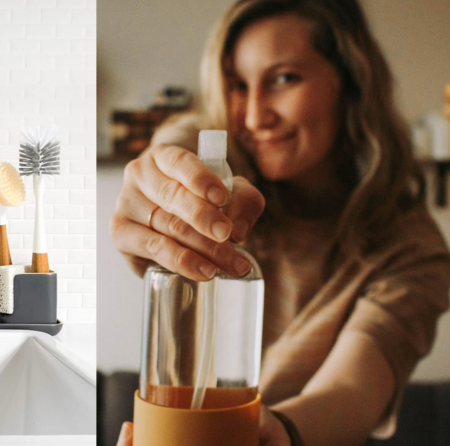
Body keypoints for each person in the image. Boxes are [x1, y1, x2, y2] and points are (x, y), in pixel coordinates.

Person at [110, 0, 450, 445]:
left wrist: (280, 430)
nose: (254, 117)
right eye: (236, 85)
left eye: (284, 79)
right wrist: (164, 173)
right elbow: (187, 135)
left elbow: (351, 391)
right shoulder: (224, 189)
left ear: (351, 82)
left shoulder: (409, 247)